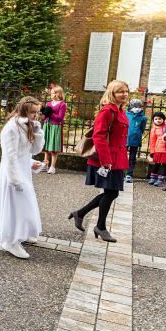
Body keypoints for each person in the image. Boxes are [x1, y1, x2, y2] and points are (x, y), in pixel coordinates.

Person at [0, 97, 45, 259]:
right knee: (16, 207)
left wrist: (38, 133)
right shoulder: (12, 128)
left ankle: (6, 237)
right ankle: (9, 241)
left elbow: (33, 150)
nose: (36, 115)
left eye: (37, 112)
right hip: (12, 173)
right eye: (33, 112)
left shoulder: (28, 125)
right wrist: (15, 179)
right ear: (24, 110)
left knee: (7, 203)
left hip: (22, 170)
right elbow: (10, 156)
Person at [68, 80, 129, 243]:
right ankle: (99, 226)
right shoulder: (107, 111)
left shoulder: (119, 110)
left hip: (117, 158)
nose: (124, 94)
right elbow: (99, 136)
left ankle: (81, 214)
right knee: (111, 192)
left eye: (126, 91)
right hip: (108, 159)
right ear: (112, 93)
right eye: (120, 91)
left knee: (111, 192)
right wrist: (105, 160)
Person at [39, 86, 66, 174]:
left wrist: (50, 114)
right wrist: (43, 111)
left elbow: (60, 118)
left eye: (53, 93)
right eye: (51, 93)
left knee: (54, 148)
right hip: (47, 125)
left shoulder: (62, 104)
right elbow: (44, 116)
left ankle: (52, 166)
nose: (52, 95)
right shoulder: (49, 103)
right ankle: (45, 164)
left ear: (58, 94)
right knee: (46, 146)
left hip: (55, 126)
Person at [125, 99, 147, 183]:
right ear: (131, 107)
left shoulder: (143, 118)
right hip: (125, 139)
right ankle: (120, 172)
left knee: (132, 158)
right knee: (122, 156)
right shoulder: (125, 114)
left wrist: (137, 134)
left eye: (139, 107)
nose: (137, 108)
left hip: (135, 140)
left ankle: (129, 174)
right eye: (135, 106)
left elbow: (142, 129)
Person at [147, 111, 166, 186]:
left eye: (160, 119)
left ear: (163, 119)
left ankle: (161, 179)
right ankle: (153, 177)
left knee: (164, 164)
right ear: (153, 120)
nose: (158, 120)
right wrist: (152, 152)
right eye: (156, 119)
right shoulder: (154, 129)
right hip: (158, 149)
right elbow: (152, 141)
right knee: (156, 164)